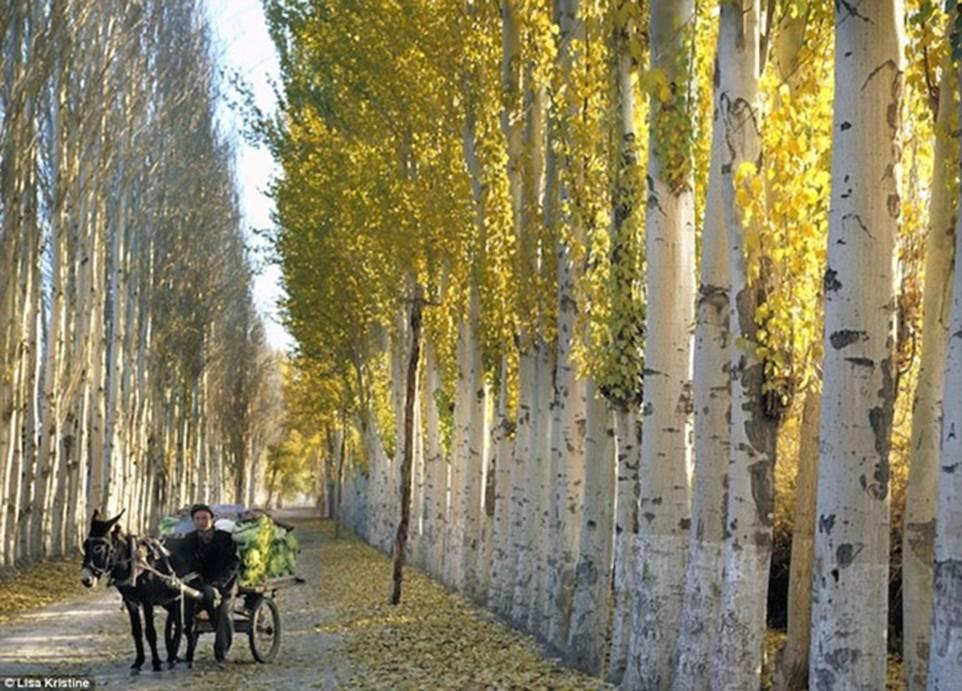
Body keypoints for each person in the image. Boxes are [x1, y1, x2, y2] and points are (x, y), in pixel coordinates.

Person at [183, 503, 239, 667]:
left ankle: (221, 652)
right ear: (193, 521)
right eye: (197, 519)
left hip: (224, 583)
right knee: (186, 604)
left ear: (212, 519)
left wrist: (219, 584)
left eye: (205, 518)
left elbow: (233, 563)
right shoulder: (190, 539)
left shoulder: (224, 538)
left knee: (221, 611)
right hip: (200, 582)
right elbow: (183, 560)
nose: (201, 522)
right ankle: (188, 648)